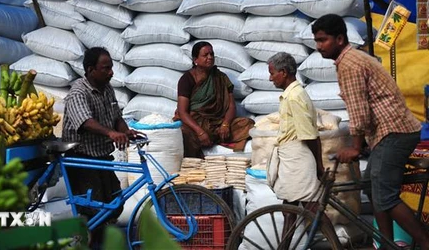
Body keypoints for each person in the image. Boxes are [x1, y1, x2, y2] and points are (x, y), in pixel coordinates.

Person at [312, 14, 429, 249]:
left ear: (340, 38)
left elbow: (359, 110)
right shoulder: (351, 60)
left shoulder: (350, 64)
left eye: (323, 40)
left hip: (394, 131)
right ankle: (386, 244)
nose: (318, 46)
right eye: (316, 40)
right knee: (370, 186)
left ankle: (426, 242)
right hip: (388, 132)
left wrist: (355, 147)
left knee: (385, 195)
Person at [62, 47, 140, 248]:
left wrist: (126, 131)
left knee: (115, 204)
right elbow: (86, 122)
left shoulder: (107, 89)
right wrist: (111, 133)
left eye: (111, 67)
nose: (111, 72)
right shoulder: (78, 91)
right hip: (81, 158)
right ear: (90, 69)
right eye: (105, 68)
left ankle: (96, 240)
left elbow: (117, 117)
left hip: (101, 157)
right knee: (95, 208)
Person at [266, 52, 330, 247]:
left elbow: (310, 135)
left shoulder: (295, 97)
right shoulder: (291, 95)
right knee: (290, 211)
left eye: (272, 73)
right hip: (292, 158)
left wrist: (318, 167)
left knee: (311, 206)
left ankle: (337, 244)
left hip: (298, 160)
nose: (270, 78)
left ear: (284, 72)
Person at [174, 41, 254, 158]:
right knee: (183, 134)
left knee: (248, 124)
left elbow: (231, 106)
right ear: (195, 59)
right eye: (205, 55)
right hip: (196, 124)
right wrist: (200, 132)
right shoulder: (187, 79)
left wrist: (225, 125)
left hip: (217, 124)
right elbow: (182, 111)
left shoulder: (220, 77)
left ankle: (215, 137)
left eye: (212, 54)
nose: (210, 57)